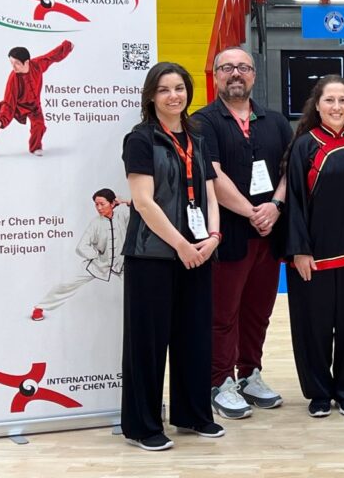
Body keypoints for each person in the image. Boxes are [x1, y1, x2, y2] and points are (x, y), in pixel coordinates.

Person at [120, 62, 223, 451]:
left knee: (194, 337)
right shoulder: (141, 139)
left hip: (199, 251)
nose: (173, 96)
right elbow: (144, 202)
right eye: (164, 90)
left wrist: (213, 236)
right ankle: (144, 426)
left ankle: (194, 414)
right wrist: (180, 245)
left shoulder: (198, 134)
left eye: (179, 88)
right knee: (147, 343)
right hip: (153, 255)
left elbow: (210, 192)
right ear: (151, 96)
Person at [190, 47, 293, 420]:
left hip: (268, 233)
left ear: (253, 75)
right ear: (216, 75)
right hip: (228, 233)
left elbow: (288, 170)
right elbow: (211, 175)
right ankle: (220, 380)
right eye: (227, 68)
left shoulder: (276, 121)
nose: (236, 73)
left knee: (258, 312)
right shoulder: (203, 121)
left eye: (243, 67)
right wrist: (251, 211)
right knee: (224, 313)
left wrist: (275, 207)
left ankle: (250, 374)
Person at [284, 75, 344, 418]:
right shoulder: (304, 145)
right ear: (317, 105)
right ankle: (320, 393)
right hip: (313, 255)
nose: (336, 107)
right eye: (329, 100)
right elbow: (293, 200)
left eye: (343, 100)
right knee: (314, 327)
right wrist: (299, 250)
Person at [31, 188, 129, 322]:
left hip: (120, 264)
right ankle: (40, 307)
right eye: (96, 204)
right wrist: (97, 255)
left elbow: (140, 209)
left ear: (112, 204)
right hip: (98, 265)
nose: (99, 208)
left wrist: (124, 200)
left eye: (102, 204)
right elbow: (81, 247)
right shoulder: (95, 223)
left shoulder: (123, 216)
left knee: (137, 288)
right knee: (68, 283)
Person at [0, 40, 73, 160]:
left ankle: (35, 147)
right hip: (15, 106)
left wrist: (67, 46)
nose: (13, 67)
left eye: (17, 63)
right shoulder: (13, 79)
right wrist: (1, 121)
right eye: (11, 63)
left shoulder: (37, 65)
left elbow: (51, 57)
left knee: (39, 126)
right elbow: (8, 103)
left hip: (34, 107)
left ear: (27, 62)